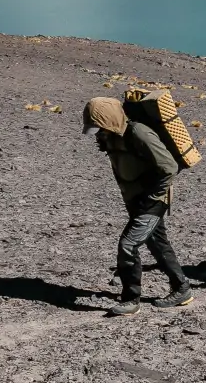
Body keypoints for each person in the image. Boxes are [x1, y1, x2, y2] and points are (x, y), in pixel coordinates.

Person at [83, 96, 195, 315]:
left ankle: (130, 299)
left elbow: (169, 167)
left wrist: (152, 198)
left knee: (128, 244)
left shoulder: (139, 133)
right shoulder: (112, 136)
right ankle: (182, 288)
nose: (97, 134)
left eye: (99, 127)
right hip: (136, 199)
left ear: (110, 120)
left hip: (151, 201)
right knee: (158, 244)